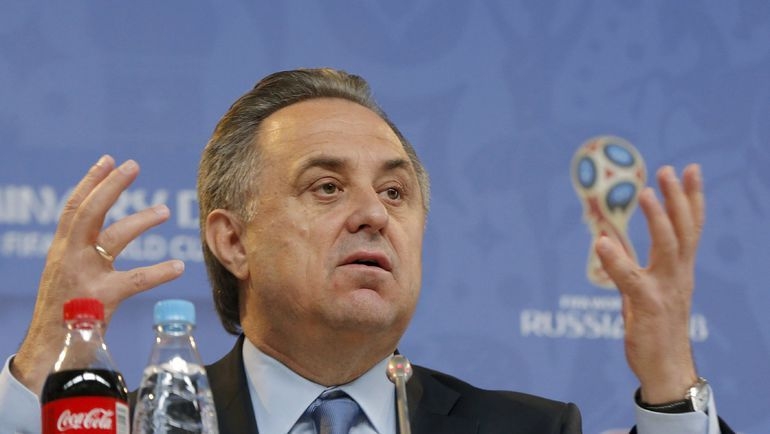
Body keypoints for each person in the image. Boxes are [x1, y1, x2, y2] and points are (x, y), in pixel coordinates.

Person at [0, 68, 733, 433]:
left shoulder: (527, 430)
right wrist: (42, 356)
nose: (373, 215)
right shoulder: (140, 424)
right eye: (326, 187)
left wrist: (671, 378)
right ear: (232, 240)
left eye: (395, 192)